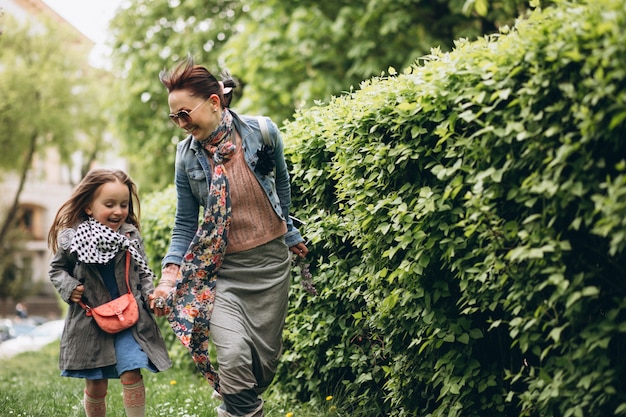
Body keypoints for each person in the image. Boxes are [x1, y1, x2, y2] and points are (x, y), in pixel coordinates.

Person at [152, 56, 308, 417]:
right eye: (174, 117)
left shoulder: (263, 132)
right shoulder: (186, 157)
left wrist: (290, 233)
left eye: (184, 114)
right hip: (223, 273)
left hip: (270, 267)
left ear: (214, 102)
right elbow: (185, 223)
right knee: (234, 355)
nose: (180, 124)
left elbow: (281, 186)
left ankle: (236, 409)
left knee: (260, 369)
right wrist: (170, 275)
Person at [48, 168, 172, 417]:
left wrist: (150, 295)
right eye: (109, 204)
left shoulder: (130, 235)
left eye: (124, 204)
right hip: (90, 321)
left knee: (132, 370)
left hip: (130, 318)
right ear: (88, 207)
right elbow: (57, 270)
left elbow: (144, 272)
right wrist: (69, 287)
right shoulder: (72, 238)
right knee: (96, 381)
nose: (118, 211)